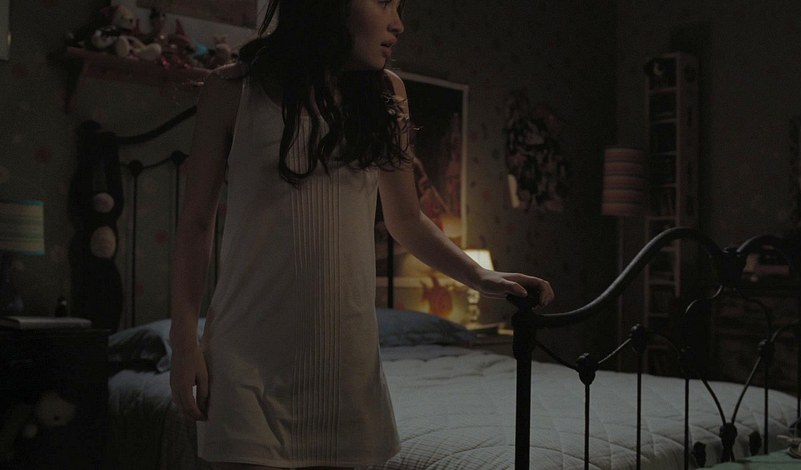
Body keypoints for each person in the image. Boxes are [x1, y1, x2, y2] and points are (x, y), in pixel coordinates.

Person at [169, 1, 555, 469]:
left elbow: (406, 220)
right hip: (246, 361)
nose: (398, 24)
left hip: (346, 367)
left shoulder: (386, 94)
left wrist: (480, 277)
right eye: (383, 2)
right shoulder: (232, 89)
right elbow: (196, 224)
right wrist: (184, 341)